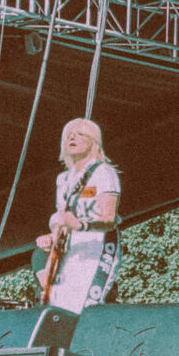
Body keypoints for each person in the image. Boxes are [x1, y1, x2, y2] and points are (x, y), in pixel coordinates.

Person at [35, 118, 121, 314]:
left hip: (97, 246)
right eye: (69, 135)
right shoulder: (63, 179)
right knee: (59, 307)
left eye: (80, 134)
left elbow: (109, 219)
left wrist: (82, 225)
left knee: (84, 307)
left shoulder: (103, 172)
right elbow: (63, 218)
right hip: (69, 250)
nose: (72, 137)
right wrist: (51, 236)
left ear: (93, 141)